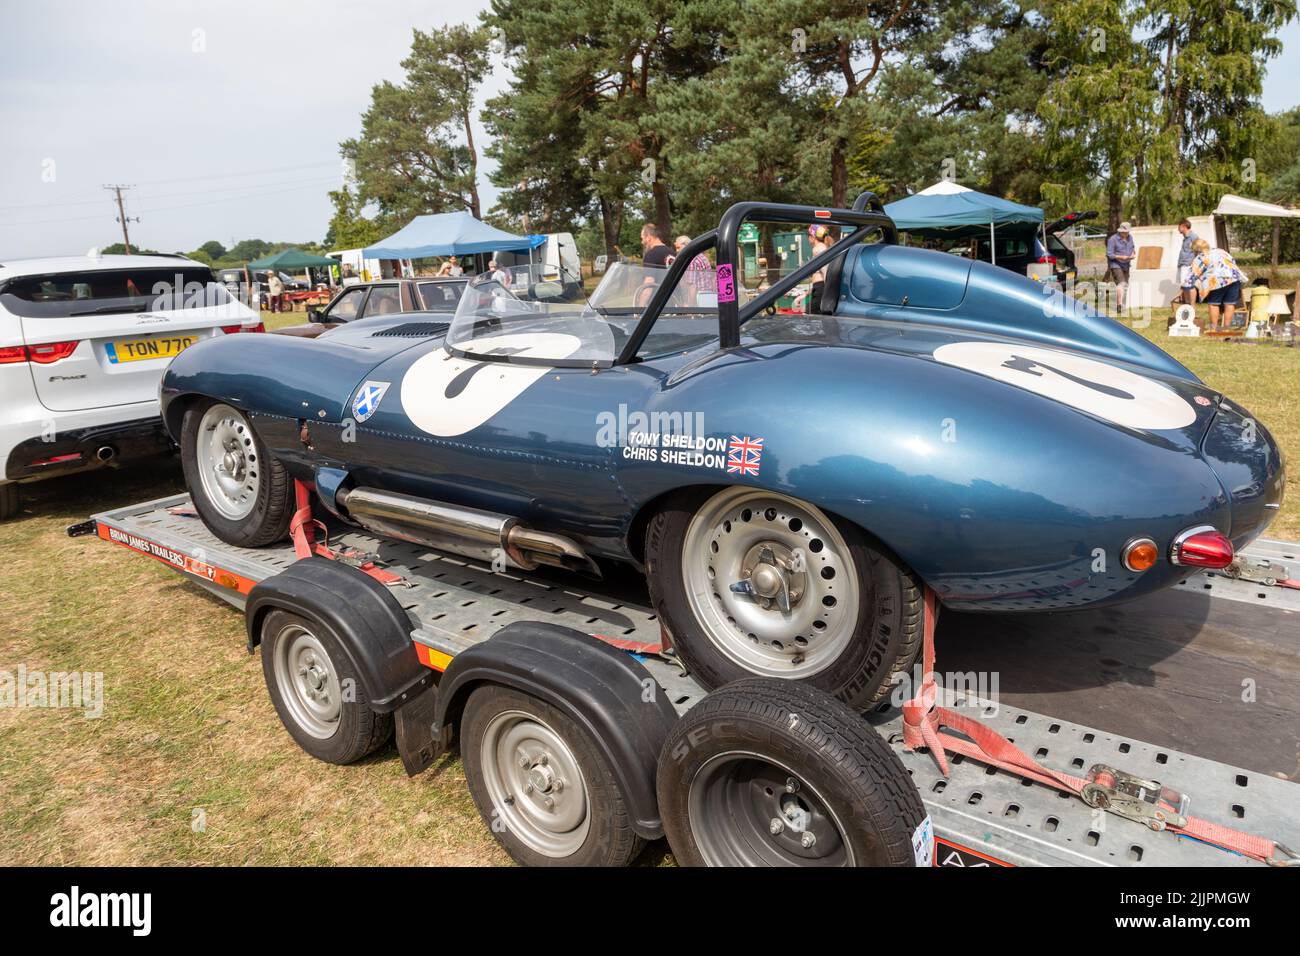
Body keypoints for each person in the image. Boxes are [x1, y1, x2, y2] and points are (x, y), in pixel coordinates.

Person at [1183, 239, 1247, 332]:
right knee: (1229, 304)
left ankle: (1213, 329)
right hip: (1234, 278)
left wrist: (1185, 289)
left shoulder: (1201, 256)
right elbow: (1232, 262)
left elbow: (1190, 277)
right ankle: (1226, 329)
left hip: (1218, 280)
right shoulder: (1221, 251)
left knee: (1213, 304)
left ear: (1195, 250)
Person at [1106, 221, 1136, 311]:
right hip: (1116, 264)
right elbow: (1109, 254)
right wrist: (1121, 257)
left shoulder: (1130, 238)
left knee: (1125, 284)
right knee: (1121, 283)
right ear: (1120, 231)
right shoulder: (1113, 239)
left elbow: (1133, 247)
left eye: (1127, 232)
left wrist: (1132, 254)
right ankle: (1119, 305)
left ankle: (1121, 303)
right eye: (1124, 232)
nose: (1126, 233)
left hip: (1126, 264)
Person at [675, 234, 714, 299]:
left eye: (678, 247)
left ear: (686, 246)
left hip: (699, 298)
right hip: (708, 296)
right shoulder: (701, 255)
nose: (677, 251)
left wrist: (690, 306)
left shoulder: (691, 260)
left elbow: (692, 286)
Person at [807, 224, 831, 314]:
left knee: (810, 313)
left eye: (808, 235)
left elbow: (826, 271)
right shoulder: (820, 248)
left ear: (812, 236)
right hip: (818, 288)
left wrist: (828, 293)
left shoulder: (819, 249)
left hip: (821, 289)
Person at [1176, 219, 1198, 305]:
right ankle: (1187, 305)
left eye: (1179, 226)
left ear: (1183, 226)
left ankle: (1192, 307)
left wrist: (1194, 265)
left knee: (1190, 286)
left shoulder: (1193, 237)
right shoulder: (1185, 238)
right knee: (1185, 286)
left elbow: (1199, 250)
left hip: (1188, 265)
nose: (1178, 229)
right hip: (1183, 264)